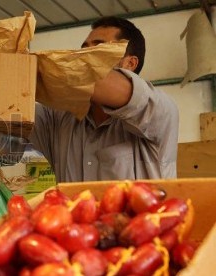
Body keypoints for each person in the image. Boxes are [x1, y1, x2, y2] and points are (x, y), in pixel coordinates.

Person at [29, 16, 179, 183]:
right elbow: (9, 111)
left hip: (145, 210)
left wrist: (38, 68)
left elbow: (104, 84)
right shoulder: (57, 118)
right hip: (70, 210)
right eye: (84, 49)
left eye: (98, 49)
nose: (84, 56)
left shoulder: (159, 110)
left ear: (130, 63)